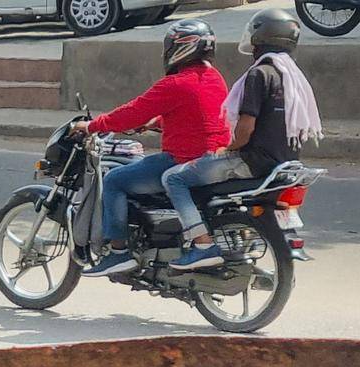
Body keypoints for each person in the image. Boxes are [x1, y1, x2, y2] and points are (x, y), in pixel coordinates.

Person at [159, 9, 321, 272]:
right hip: (284, 164)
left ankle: (202, 244)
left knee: (174, 178)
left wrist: (226, 148)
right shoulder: (292, 77)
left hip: (253, 161)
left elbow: (245, 130)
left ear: (259, 38)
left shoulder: (260, 74)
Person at [70, 19, 230, 278]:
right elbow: (197, 115)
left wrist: (92, 126)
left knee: (114, 180)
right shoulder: (213, 78)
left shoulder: (175, 84)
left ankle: (119, 252)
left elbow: (131, 113)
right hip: (214, 157)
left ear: (178, 49)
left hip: (183, 160)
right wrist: (156, 123)